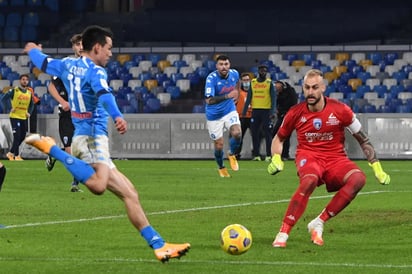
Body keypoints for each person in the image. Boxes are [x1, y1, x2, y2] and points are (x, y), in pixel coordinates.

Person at [23, 25, 190, 262]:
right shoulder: (96, 70)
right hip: (91, 137)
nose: (111, 53)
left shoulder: (68, 64)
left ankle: (159, 245)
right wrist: (118, 116)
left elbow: (43, 62)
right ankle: (52, 149)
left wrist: (31, 50)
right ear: (97, 47)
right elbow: (105, 94)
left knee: (130, 193)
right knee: (98, 186)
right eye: (109, 48)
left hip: (87, 136)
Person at [267, 69, 390, 248]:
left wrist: (377, 167)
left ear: (323, 88)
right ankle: (284, 231)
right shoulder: (295, 112)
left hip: (335, 159)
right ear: (303, 88)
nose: (310, 92)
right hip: (308, 156)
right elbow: (279, 138)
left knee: (358, 179)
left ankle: (319, 221)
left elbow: (363, 139)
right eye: (307, 88)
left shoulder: (341, 110)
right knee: (309, 180)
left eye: (315, 87)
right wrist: (276, 157)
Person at [45, 33, 83, 192]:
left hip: (83, 115)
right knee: (71, 150)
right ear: (73, 47)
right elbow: (51, 86)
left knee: (80, 150)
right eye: (77, 44)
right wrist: (63, 102)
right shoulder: (66, 64)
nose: (80, 47)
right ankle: (75, 183)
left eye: (83, 44)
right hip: (67, 115)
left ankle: (55, 153)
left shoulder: (91, 66)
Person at [204, 54, 241, 178]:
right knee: (219, 144)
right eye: (221, 64)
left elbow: (238, 82)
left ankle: (231, 154)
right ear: (217, 66)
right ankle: (221, 167)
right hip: (214, 115)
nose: (224, 67)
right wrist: (227, 96)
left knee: (237, 133)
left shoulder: (234, 73)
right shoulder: (211, 79)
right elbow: (208, 100)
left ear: (229, 65)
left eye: (226, 64)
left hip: (229, 110)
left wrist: (237, 95)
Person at [242, 65, 276, 162]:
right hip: (255, 111)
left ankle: (269, 155)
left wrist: (272, 111)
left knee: (268, 134)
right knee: (255, 133)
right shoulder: (253, 82)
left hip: (266, 111)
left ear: (266, 72)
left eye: (265, 71)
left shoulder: (269, 83)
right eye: (261, 71)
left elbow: (273, 98)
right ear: (258, 71)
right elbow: (249, 98)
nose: (263, 72)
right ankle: (256, 154)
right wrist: (244, 111)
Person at [1, 74, 34, 161]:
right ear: (20, 81)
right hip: (15, 116)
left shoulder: (29, 93)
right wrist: (8, 108)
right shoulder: (14, 90)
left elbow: (32, 105)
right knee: (17, 136)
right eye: (23, 79)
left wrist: (29, 113)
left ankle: (11, 153)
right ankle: (16, 155)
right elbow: (3, 99)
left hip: (23, 117)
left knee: (22, 136)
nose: (25, 81)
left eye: (26, 80)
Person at [272, 80, 298, 160]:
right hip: (282, 115)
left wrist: (288, 113)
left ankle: (285, 154)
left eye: (278, 87)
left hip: (289, 116)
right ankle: (278, 153)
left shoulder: (290, 92)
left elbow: (294, 104)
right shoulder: (279, 94)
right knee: (276, 133)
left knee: (285, 135)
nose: (277, 89)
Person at [233, 72, 252, 159]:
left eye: (247, 80)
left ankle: (256, 154)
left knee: (257, 137)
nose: (246, 82)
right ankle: (237, 153)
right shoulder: (237, 92)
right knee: (239, 137)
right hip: (241, 117)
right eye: (244, 80)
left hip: (252, 116)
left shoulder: (254, 91)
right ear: (241, 81)